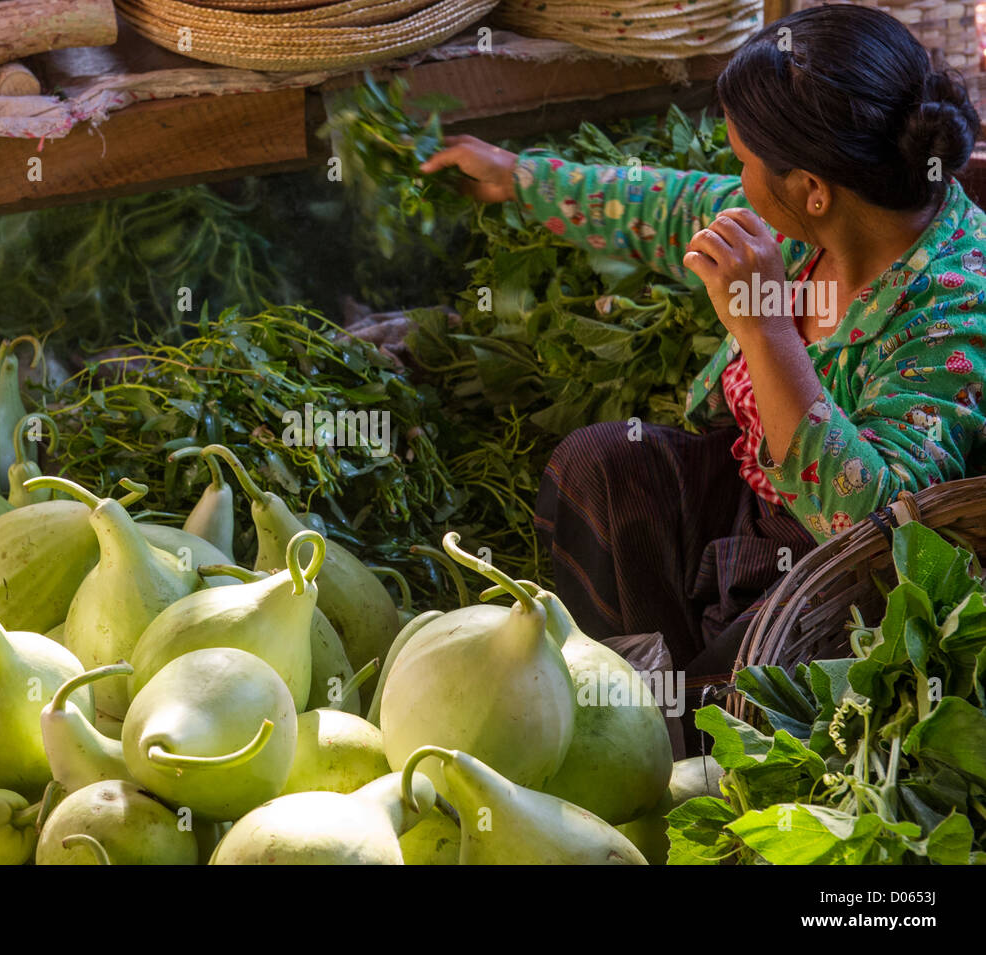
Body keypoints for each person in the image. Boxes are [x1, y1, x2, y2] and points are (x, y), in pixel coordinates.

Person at [421, 5, 986, 746]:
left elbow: (882, 534)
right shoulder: (815, 220)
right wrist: (517, 177)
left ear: (812, 187)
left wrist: (763, 329)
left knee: (756, 669)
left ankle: (677, 739)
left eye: (745, 162)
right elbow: (668, 204)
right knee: (602, 467)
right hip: (747, 498)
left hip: (839, 571)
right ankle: (628, 709)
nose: (735, 179)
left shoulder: (953, 305)